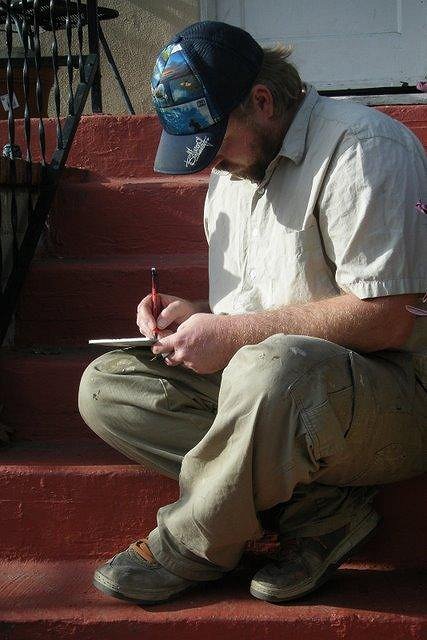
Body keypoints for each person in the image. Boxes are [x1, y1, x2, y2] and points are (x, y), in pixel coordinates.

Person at [78, 21, 427, 605]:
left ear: (262, 101)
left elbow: (390, 317)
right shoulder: (235, 171)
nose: (210, 161)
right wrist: (198, 315)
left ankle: (194, 545)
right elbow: (261, 310)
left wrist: (233, 333)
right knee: (108, 388)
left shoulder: (365, 149)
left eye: (215, 139)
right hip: (281, 386)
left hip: (395, 395)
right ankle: (323, 511)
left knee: (270, 369)